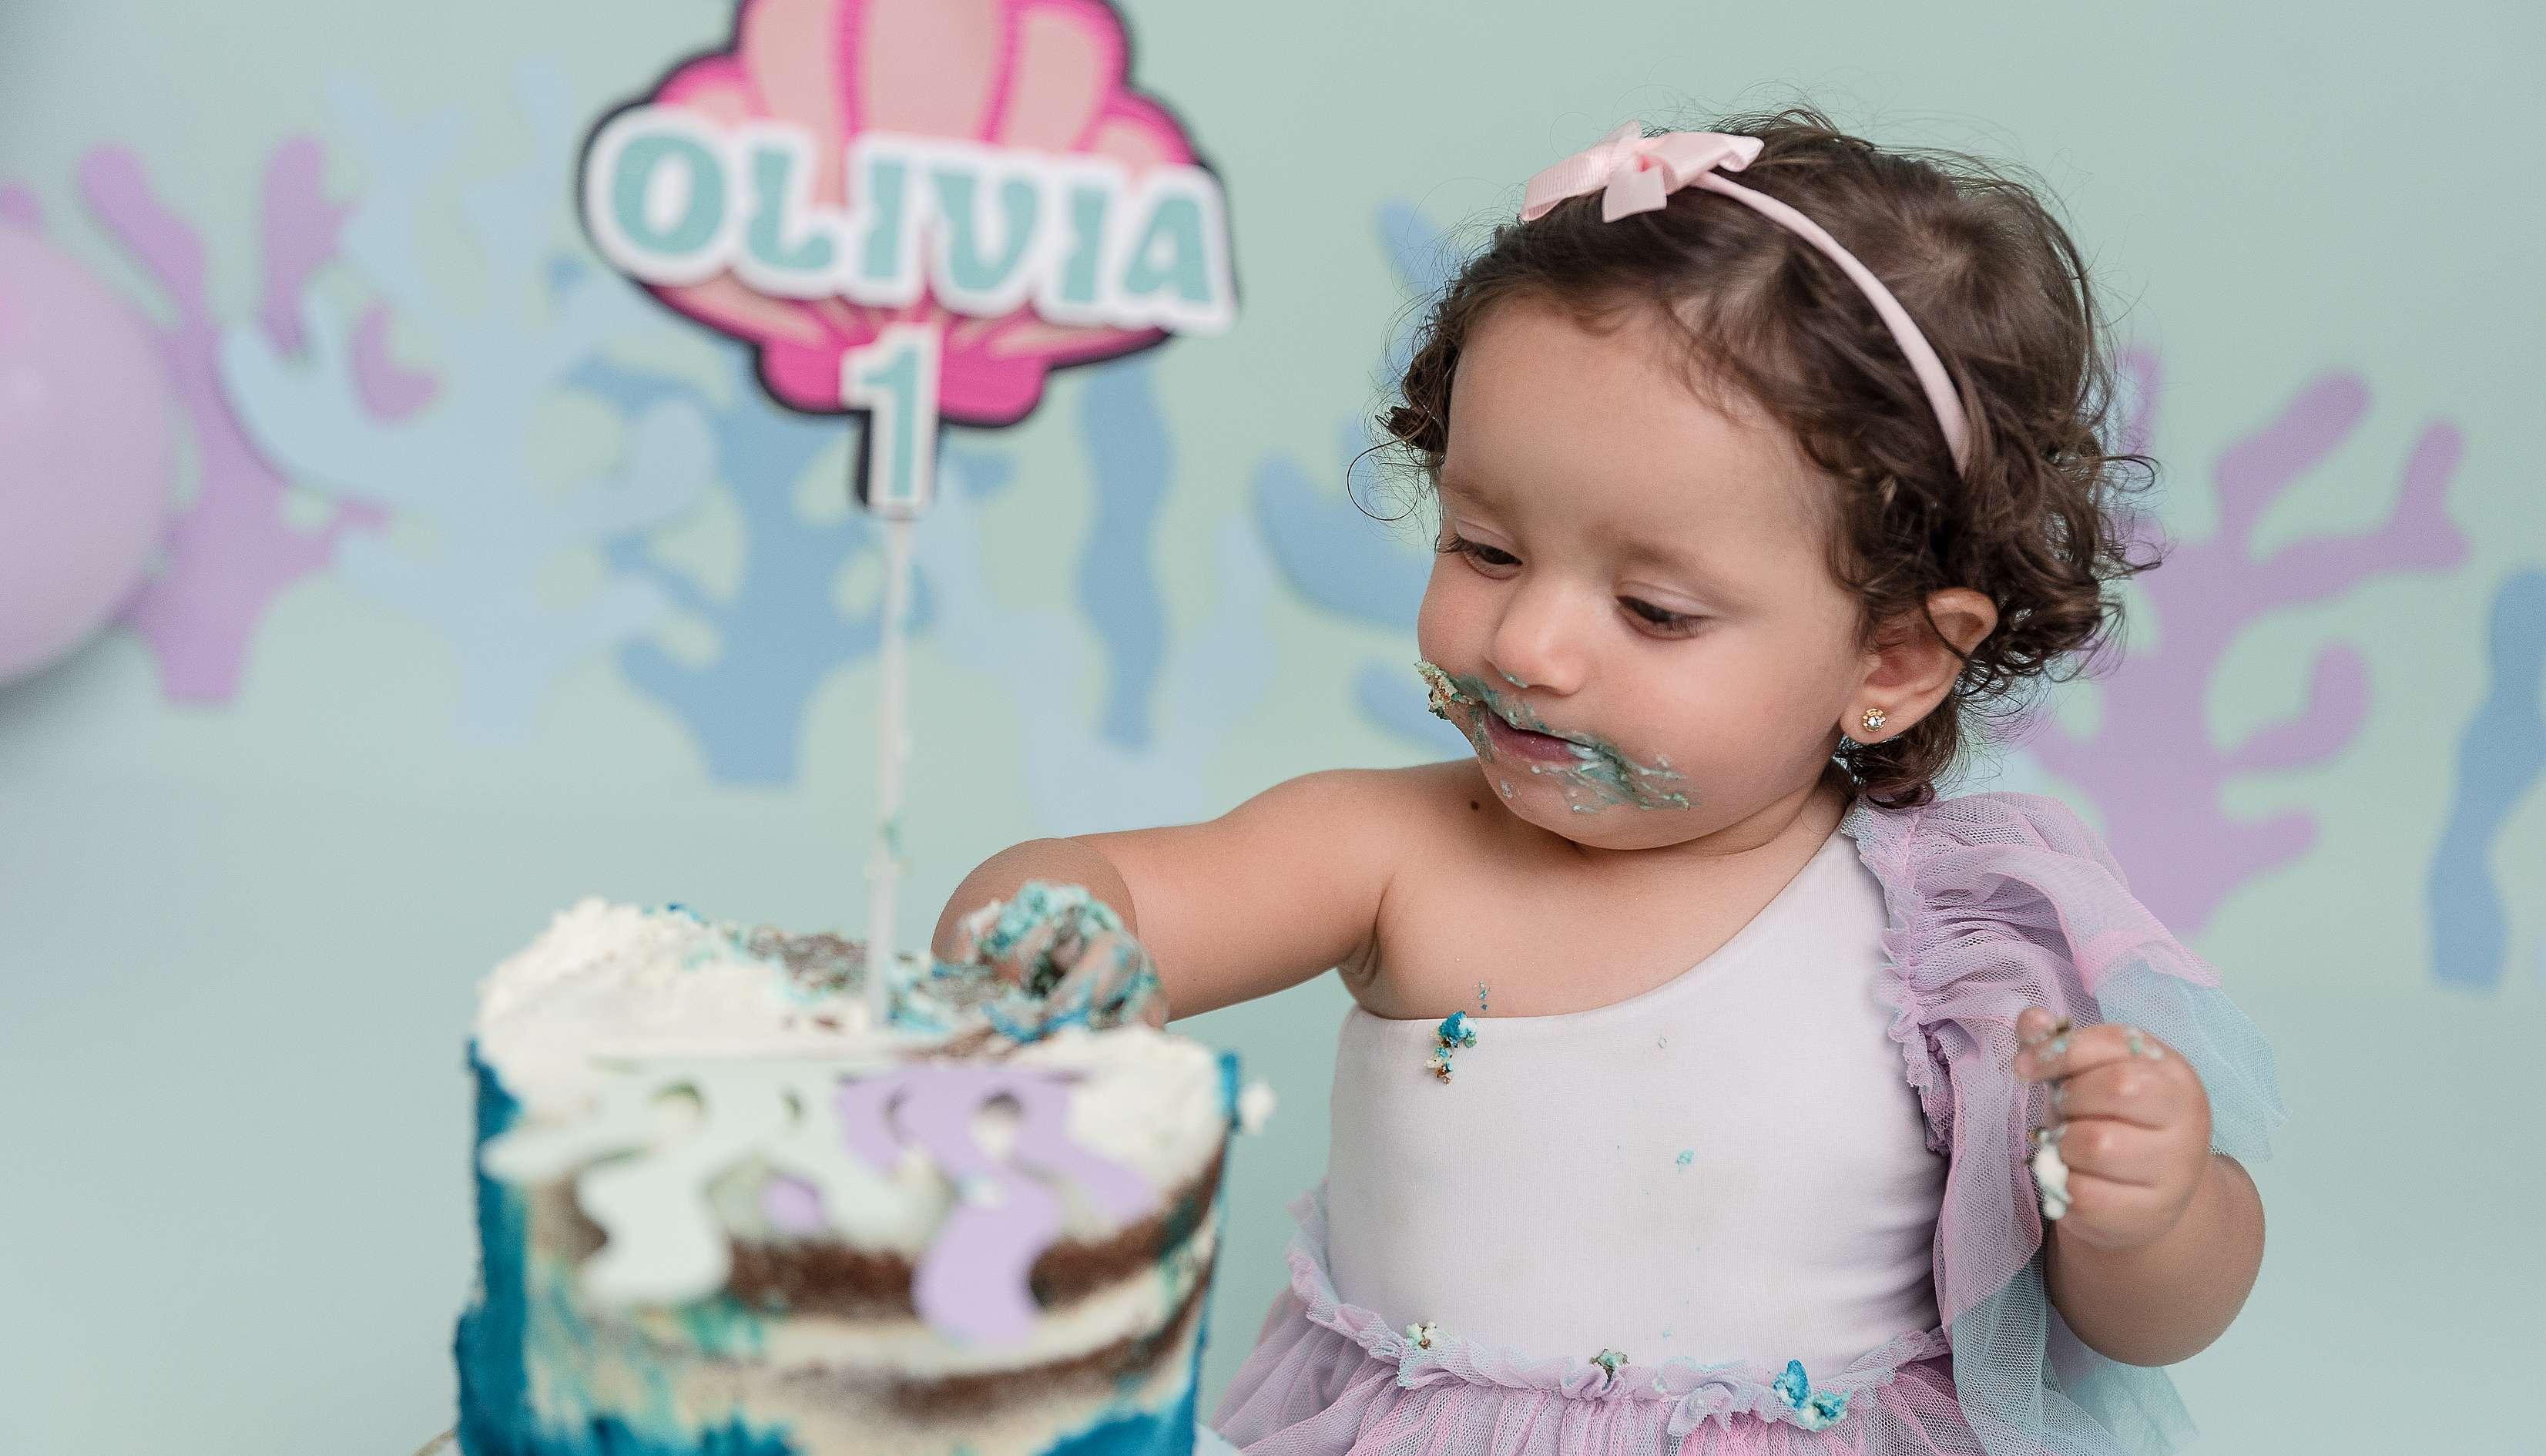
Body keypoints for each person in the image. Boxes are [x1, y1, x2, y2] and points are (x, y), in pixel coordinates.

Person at [934, 108, 2287, 1456]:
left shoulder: (1945, 941)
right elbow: (1112, 890)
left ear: (1891, 658)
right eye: (1485, 547)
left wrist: (2148, 1215)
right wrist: (1043, 946)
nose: (1528, 646)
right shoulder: (1392, 852)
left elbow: (2142, 1325)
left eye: (1652, 610)